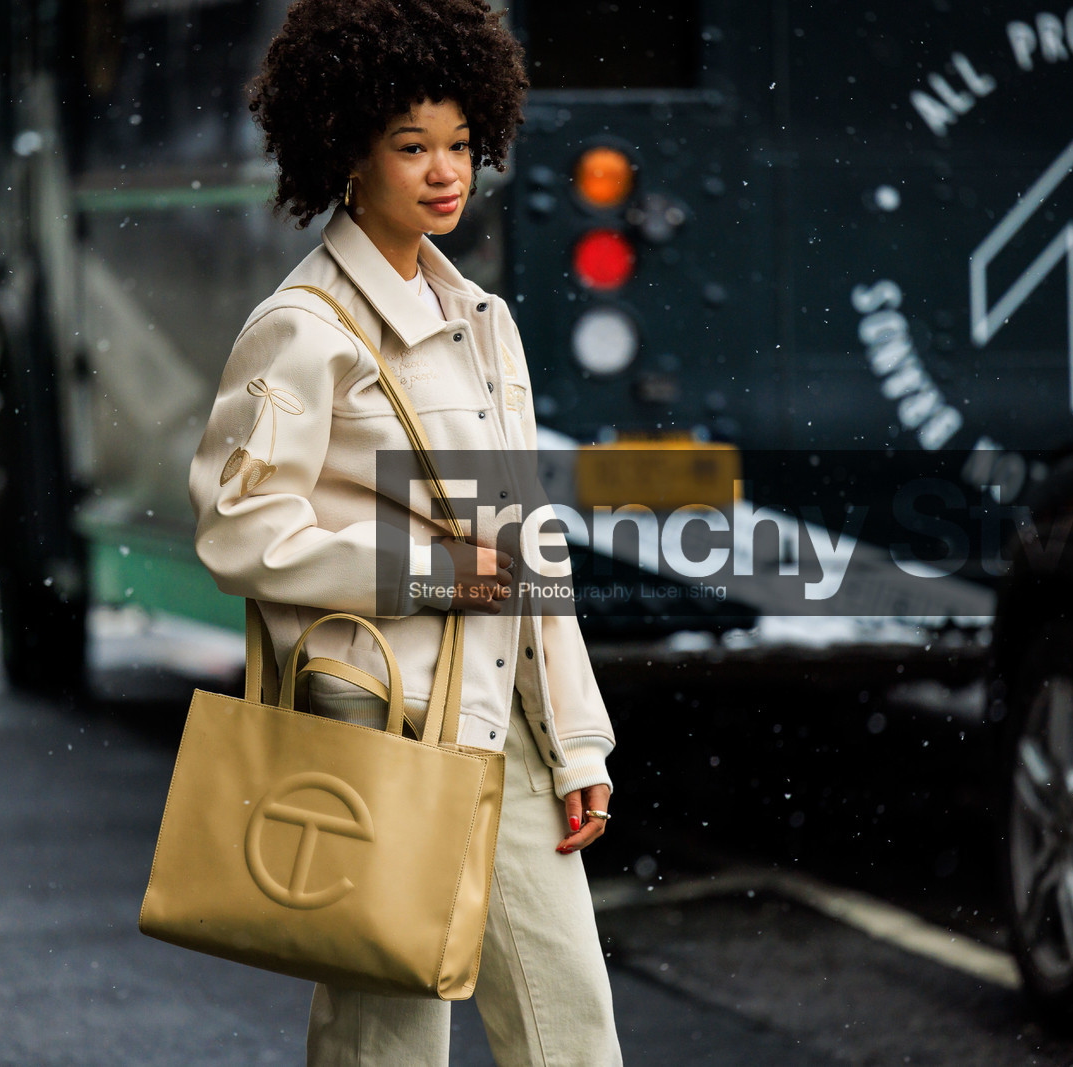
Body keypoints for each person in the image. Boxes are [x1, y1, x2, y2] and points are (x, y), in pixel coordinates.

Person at [188, 1, 622, 1062]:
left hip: (504, 738)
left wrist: (575, 737)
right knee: (386, 1045)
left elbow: (524, 545)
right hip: (379, 735)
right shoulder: (302, 329)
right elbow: (239, 531)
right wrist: (428, 572)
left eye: (461, 144)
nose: (445, 171)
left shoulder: (482, 320)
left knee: (573, 1032)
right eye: (411, 146)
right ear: (347, 155)